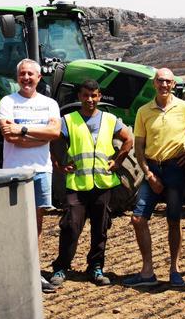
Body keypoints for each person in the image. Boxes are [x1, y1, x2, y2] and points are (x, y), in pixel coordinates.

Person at [49, 79, 133, 287]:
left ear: (99, 97)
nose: (90, 99)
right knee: (70, 226)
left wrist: (119, 159)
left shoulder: (110, 119)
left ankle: (96, 267)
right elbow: (54, 139)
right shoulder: (69, 120)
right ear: (79, 96)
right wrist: (58, 163)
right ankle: (61, 267)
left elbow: (129, 139)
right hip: (77, 185)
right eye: (86, 95)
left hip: (102, 184)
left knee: (100, 228)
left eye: (94, 95)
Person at [122, 68, 185, 288]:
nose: (164, 85)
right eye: (160, 81)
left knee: (174, 220)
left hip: (175, 168)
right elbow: (140, 147)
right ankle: (147, 272)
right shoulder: (143, 111)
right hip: (152, 168)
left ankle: (175, 270)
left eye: (168, 82)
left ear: (173, 85)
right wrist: (148, 174)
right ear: (154, 83)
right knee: (138, 218)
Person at [0, 59, 62, 293]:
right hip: (14, 171)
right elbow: (9, 137)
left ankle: (35, 272)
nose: (26, 78)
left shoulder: (50, 103)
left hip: (41, 170)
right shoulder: (7, 102)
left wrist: (22, 129)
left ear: (38, 77)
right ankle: (13, 271)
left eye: (30, 74)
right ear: (17, 77)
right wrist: (40, 136)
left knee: (37, 224)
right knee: (14, 222)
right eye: (22, 74)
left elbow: (54, 133)